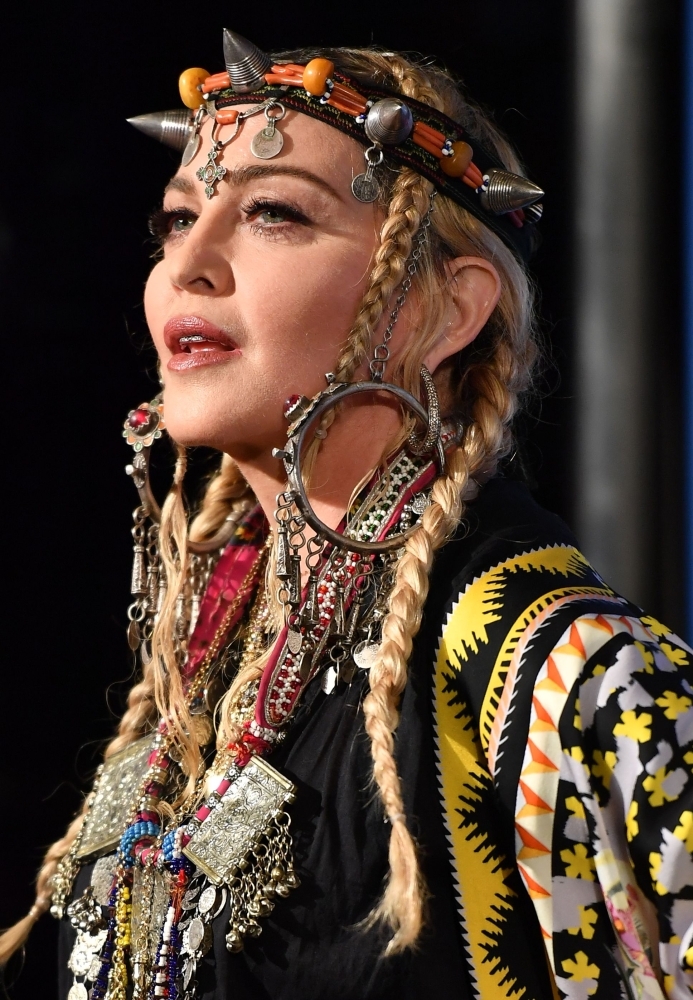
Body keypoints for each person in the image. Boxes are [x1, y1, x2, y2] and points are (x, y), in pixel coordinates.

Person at [1, 30, 691, 1000]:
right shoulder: (219, 661)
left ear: (443, 311)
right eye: (175, 219)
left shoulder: (560, 667)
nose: (189, 264)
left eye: (274, 213)